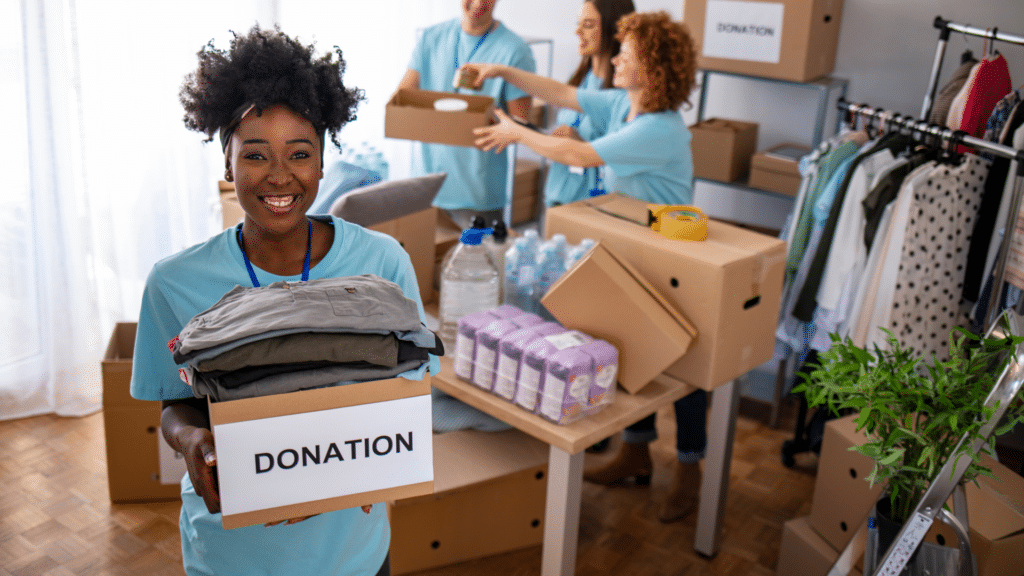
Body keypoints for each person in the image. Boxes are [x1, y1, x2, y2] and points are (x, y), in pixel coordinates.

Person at [130, 25, 438, 575]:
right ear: (226, 164)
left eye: (300, 153)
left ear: (323, 162)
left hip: (352, 552)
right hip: (231, 553)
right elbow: (171, 405)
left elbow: (409, 391)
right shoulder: (173, 282)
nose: (279, 176)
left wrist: (371, 465)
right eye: (254, 155)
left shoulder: (383, 264)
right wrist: (190, 440)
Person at [468, 11, 705, 522]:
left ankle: (691, 470)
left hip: (672, 254)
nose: (616, 58)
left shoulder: (660, 128)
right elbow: (561, 93)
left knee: (685, 368)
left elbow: (580, 152)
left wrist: (515, 132)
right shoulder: (623, 103)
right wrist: (503, 73)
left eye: (628, 53)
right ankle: (635, 453)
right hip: (633, 245)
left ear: (653, 67)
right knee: (628, 348)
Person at [396, 0, 536, 229]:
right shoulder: (431, 38)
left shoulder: (514, 51)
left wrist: (483, 122)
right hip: (427, 188)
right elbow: (403, 100)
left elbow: (520, 126)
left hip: (477, 196)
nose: (479, 3)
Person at [543, 0, 635, 208]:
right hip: (558, 196)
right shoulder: (578, 80)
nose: (577, 31)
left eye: (588, 25)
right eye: (579, 23)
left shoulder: (625, 96)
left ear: (614, 30)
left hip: (593, 204)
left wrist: (582, 145)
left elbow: (625, 159)